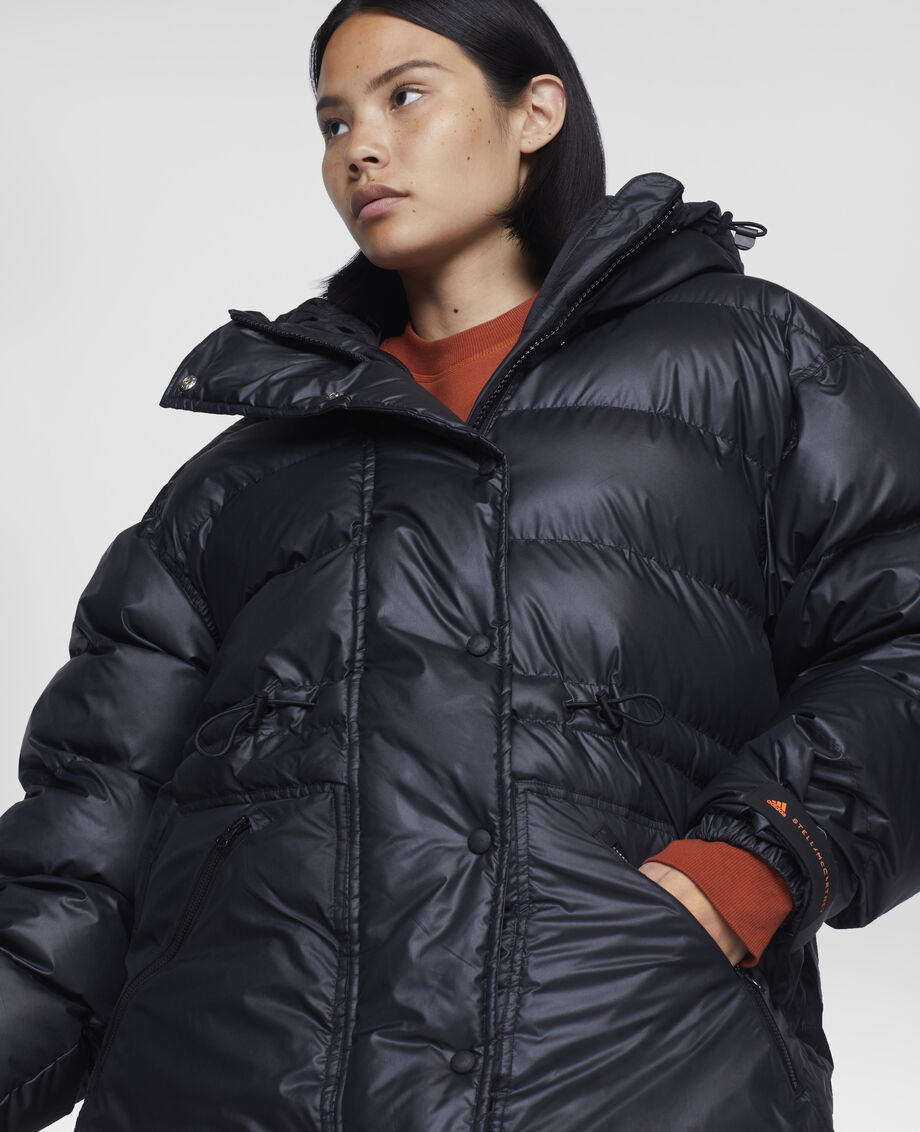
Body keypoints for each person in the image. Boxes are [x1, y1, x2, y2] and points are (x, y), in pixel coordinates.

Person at [1, 0, 918, 1129]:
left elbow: (905, 632)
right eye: (333, 122)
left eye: (404, 96)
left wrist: (750, 863)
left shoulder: (747, 361)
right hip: (230, 1085)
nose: (360, 148)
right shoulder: (234, 482)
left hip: (619, 1069)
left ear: (535, 112)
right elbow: (82, 852)